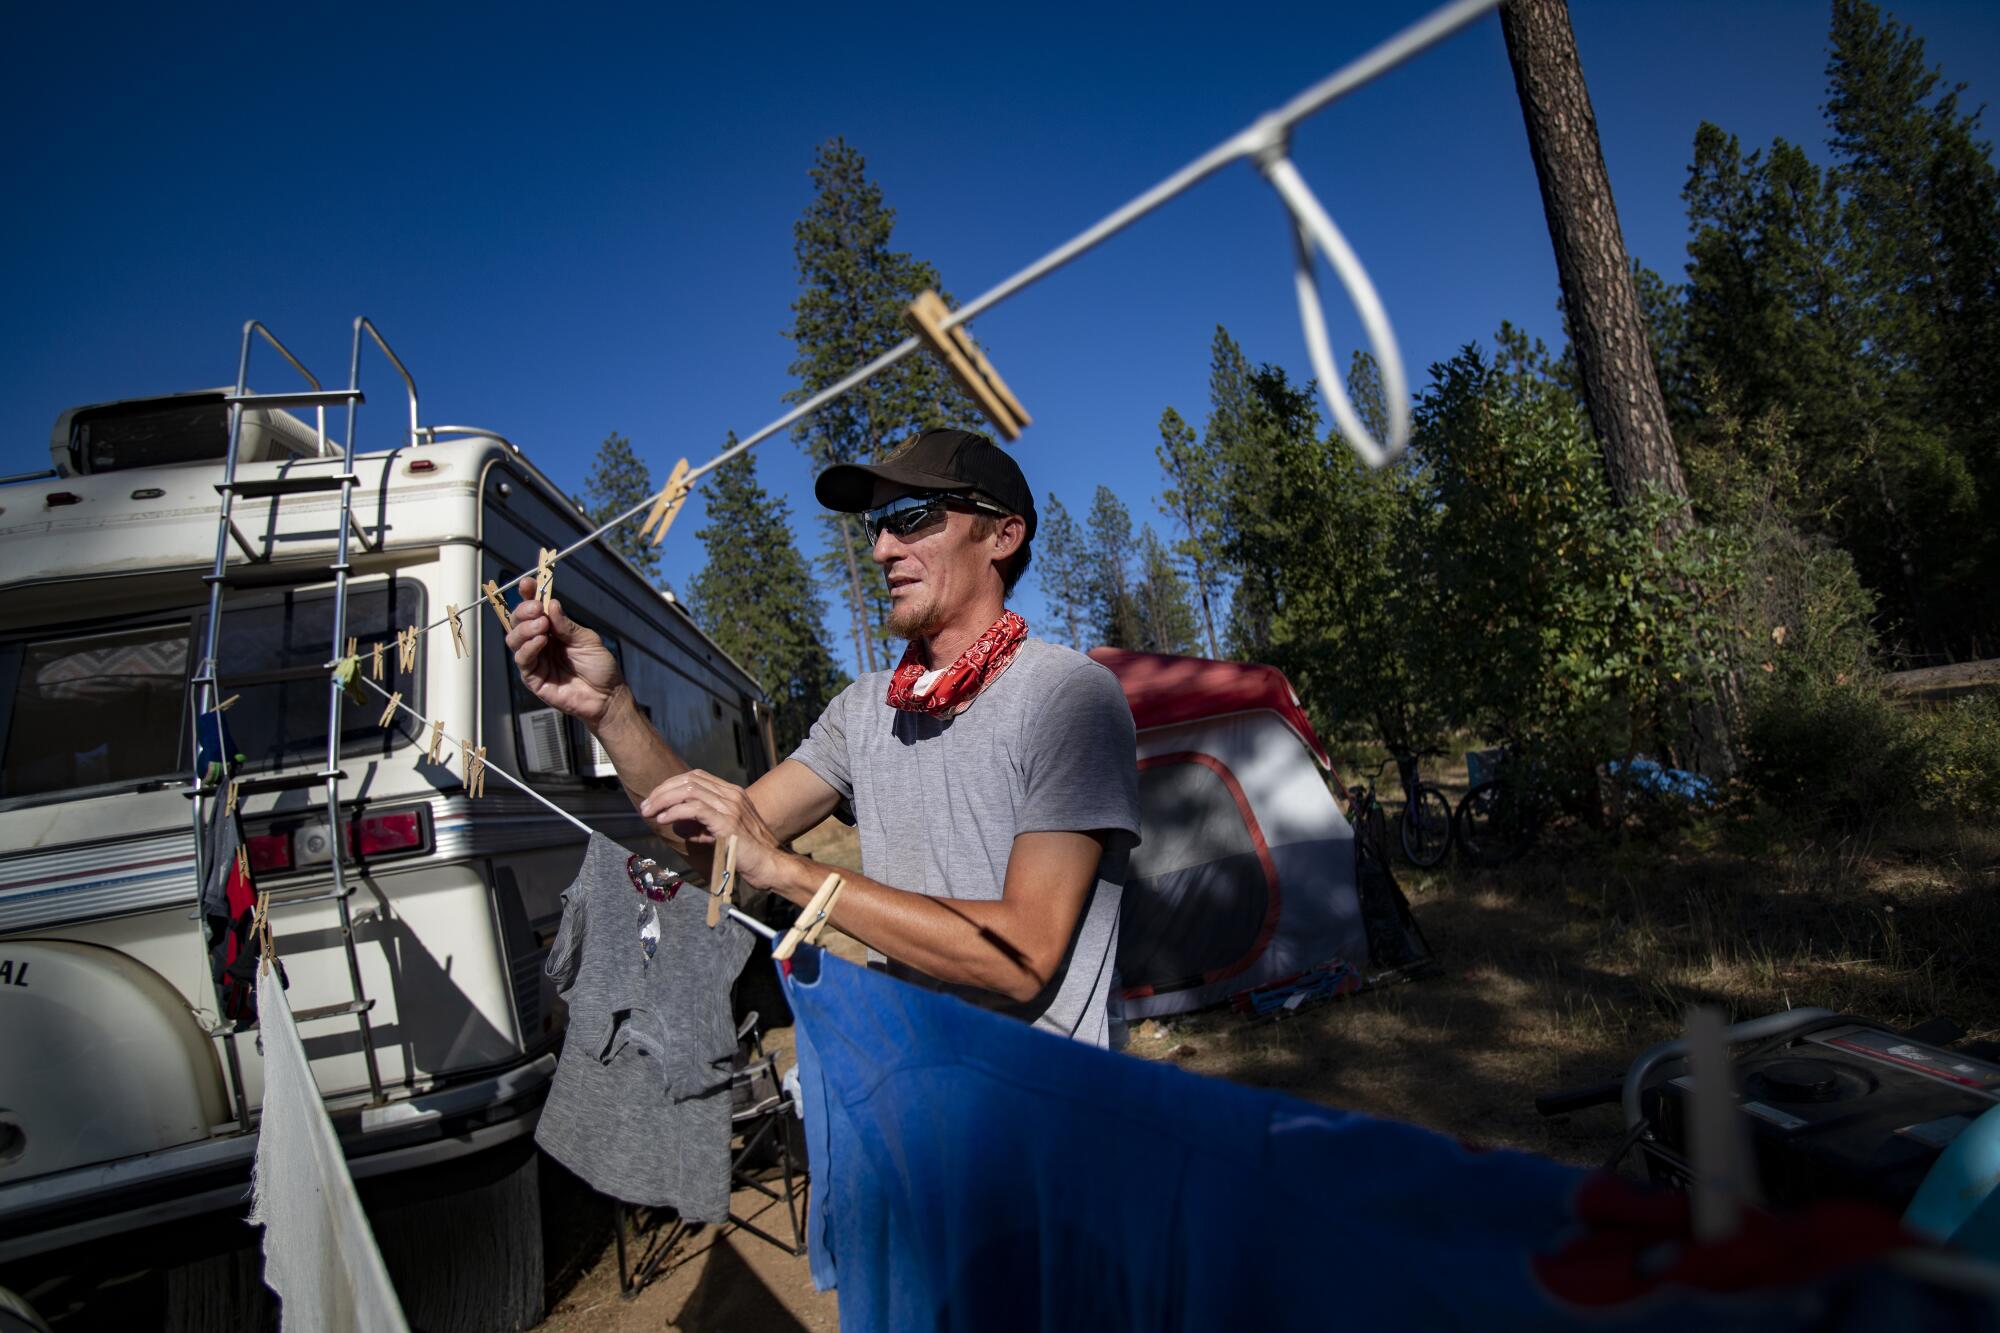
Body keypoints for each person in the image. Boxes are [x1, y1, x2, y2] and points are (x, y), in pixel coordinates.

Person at [506, 428, 1141, 1046]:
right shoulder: (863, 711)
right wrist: (611, 709)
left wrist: (785, 871)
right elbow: (715, 848)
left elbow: (1022, 956)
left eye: (913, 517)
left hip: (1046, 1113)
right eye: (876, 525)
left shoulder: (1067, 695)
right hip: (911, 1103)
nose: (882, 550)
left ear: (1002, 535)